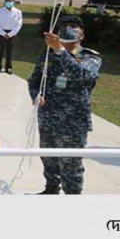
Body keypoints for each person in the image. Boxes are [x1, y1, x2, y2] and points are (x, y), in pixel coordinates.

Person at [27, 16, 102, 195]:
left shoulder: (90, 57)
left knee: (71, 163)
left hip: (73, 122)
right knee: (48, 157)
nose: (69, 28)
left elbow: (82, 76)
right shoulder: (47, 55)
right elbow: (34, 79)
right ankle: (51, 190)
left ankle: (72, 197)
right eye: (65, 26)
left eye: (74, 26)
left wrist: (61, 50)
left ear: (81, 34)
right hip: (48, 117)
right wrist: (36, 95)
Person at [0, 0, 23, 74]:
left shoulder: (18, 12)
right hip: (1, 33)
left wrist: (10, 34)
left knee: (10, 51)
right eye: (7, 1)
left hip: (12, 33)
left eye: (10, 1)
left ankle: (8, 67)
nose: (9, 3)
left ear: (13, 2)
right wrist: (3, 33)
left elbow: (18, 24)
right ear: (5, 1)